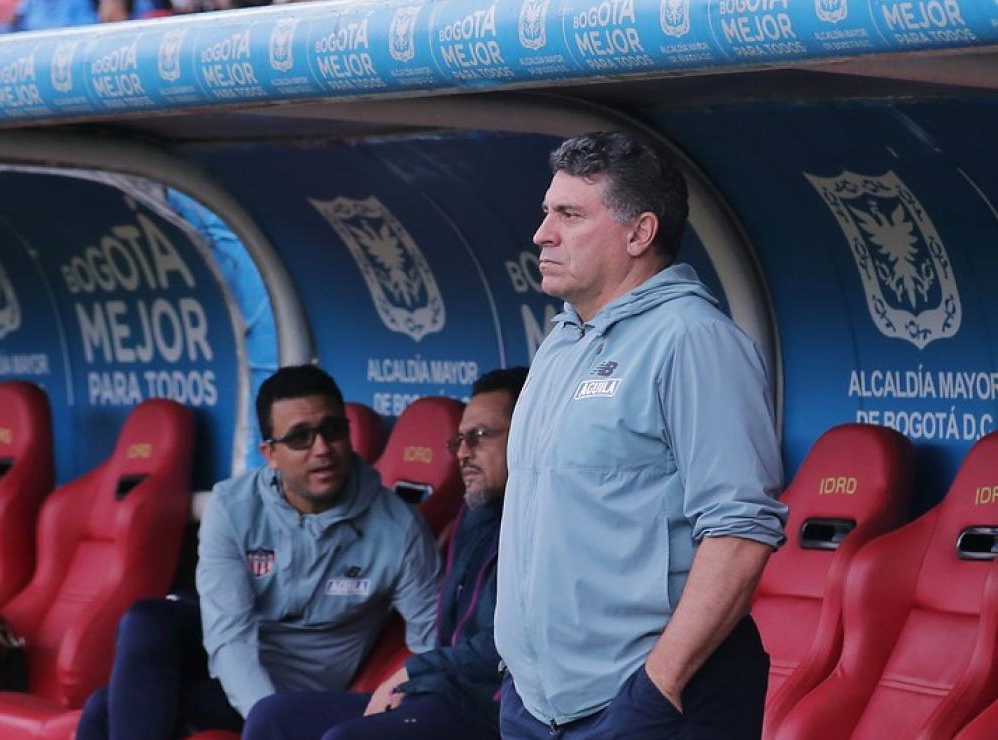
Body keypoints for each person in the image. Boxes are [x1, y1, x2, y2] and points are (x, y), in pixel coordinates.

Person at [496, 131, 789, 739]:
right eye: (547, 212)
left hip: (645, 702)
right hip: (538, 706)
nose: (543, 233)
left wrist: (660, 686)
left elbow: (739, 532)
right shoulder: (562, 341)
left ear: (640, 233)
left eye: (570, 215)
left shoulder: (693, 339)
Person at [78, 365, 441, 740]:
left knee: (104, 709)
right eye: (300, 437)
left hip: (300, 689)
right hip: (237, 671)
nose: (322, 448)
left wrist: (279, 718)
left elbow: (433, 643)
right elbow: (229, 636)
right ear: (270, 453)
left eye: (332, 429)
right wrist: (266, 717)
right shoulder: (232, 506)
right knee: (147, 619)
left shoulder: (399, 528)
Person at [242, 367, 527, 740]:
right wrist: (418, 681)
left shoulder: (545, 526)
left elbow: (509, 648)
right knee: (273, 716)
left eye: (480, 436)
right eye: (459, 439)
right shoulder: (475, 514)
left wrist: (415, 672)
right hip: (444, 690)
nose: (463, 452)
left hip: (495, 709)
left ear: (527, 433)